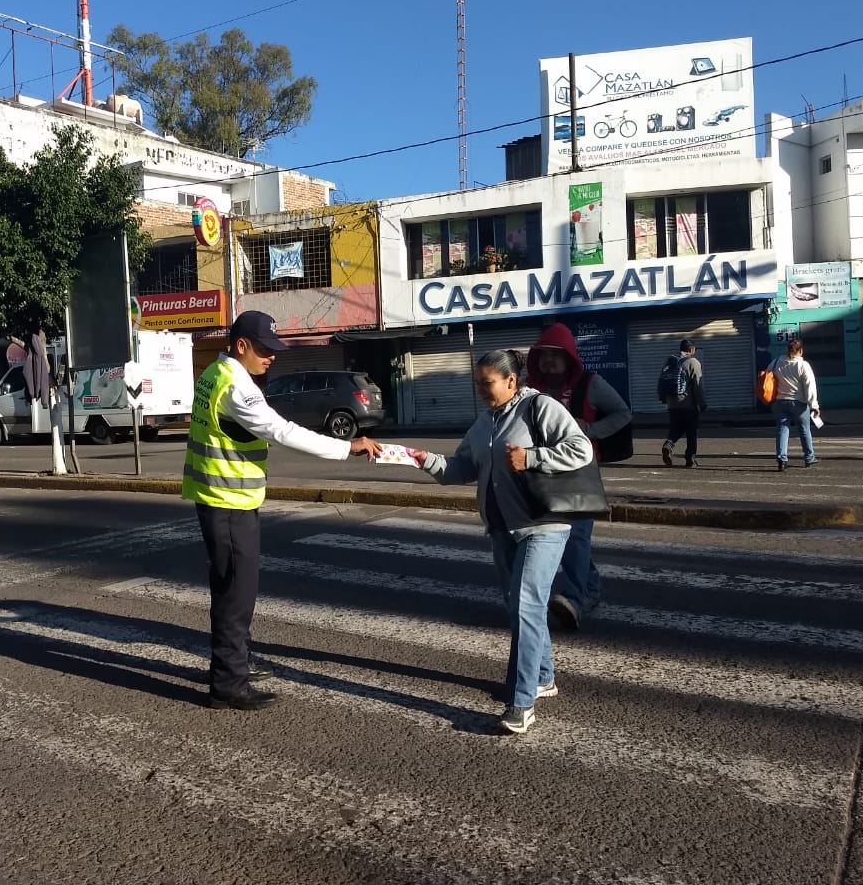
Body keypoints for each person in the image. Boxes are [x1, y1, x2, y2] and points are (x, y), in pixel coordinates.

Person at [182, 310, 382, 711]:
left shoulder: (215, 374)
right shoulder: (238, 387)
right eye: (263, 349)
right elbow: (281, 430)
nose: (271, 357)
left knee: (230, 589)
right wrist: (347, 447)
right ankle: (227, 685)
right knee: (237, 595)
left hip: (219, 499)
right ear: (240, 345)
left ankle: (236, 664)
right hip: (229, 504)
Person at [411, 349, 593, 736]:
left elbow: (582, 449)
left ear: (512, 381)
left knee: (527, 604)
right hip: (501, 529)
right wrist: (424, 459)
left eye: (487, 383)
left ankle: (522, 701)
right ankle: (543, 676)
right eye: (477, 383)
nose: (481, 390)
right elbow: (462, 467)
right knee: (521, 606)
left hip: (543, 525)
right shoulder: (483, 423)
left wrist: (533, 457)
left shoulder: (539, 408)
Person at [526, 323, 632, 632]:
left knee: (576, 538)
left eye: (555, 356)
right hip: (543, 469)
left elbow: (622, 413)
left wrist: (590, 429)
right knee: (562, 536)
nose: (548, 362)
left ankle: (574, 600)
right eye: (543, 356)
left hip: (579, 471)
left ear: (569, 358)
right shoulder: (532, 389)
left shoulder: (590, 384)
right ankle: (591, 587)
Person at [771, 339, 820, 471]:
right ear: (801, 351)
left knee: (782, 429)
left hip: (780, 401)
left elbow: (767, 376)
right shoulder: (803, 365)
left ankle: (782, 460)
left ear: (787, 350)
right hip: (799, 403)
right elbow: (810, 387)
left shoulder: (776, 362)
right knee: (804, 430)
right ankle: (809, 458)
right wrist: (814, 405)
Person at [661, 339, 706, 469]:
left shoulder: (671, 361)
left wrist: (665, 400)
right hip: (688, 404)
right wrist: (702, 403)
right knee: (691, 432)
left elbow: (664, 382)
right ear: (692, 350)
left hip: (672, 404)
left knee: (676, 428)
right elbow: (697, 385)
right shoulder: (693, 362)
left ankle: (668, 445)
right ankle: (690, 459)